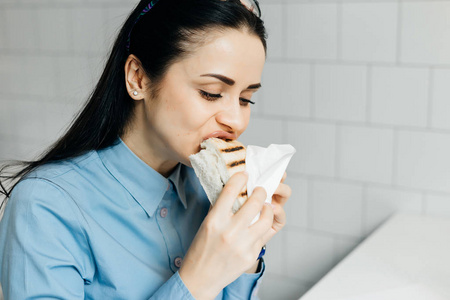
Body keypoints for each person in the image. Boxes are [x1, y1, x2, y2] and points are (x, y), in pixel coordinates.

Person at [0, 0, 292, 298]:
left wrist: (247, 250)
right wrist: (197, 280)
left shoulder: (210, 192)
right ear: (137, 78)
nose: (235, 120)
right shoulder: (46, 205)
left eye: (246, 99)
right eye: (211, 93)